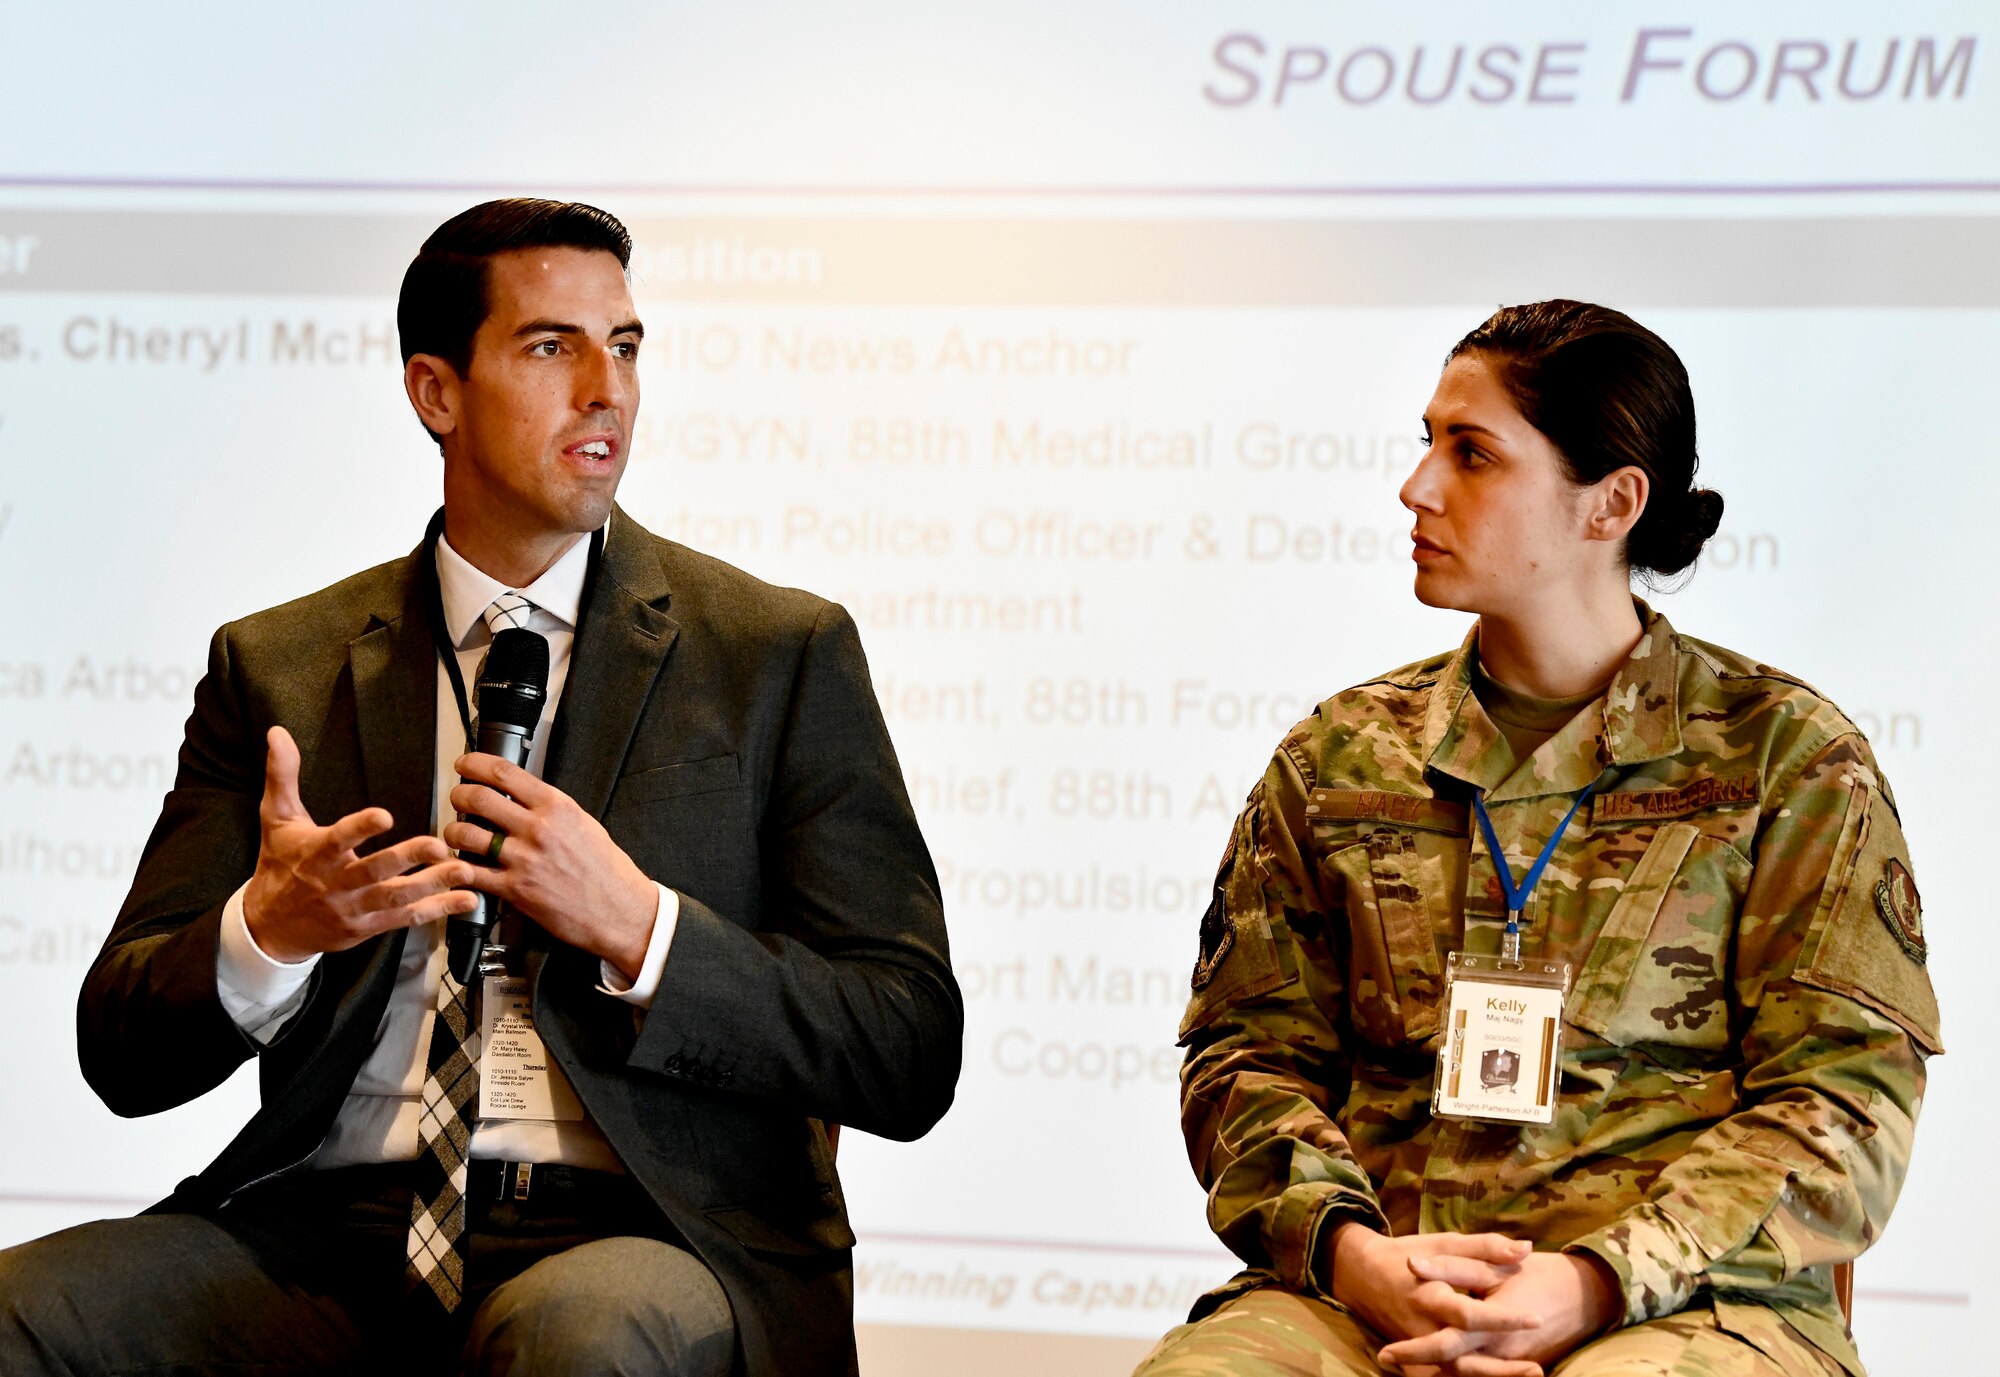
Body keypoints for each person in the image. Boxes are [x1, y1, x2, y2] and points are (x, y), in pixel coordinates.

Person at [0, 199, 961, 1376]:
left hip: (644, 1233)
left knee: (576, 1338)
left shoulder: (771, 652)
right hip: (327, 1234)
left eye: (626, 345)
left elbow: (907, 1045)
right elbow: (122, 1050)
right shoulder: (281, 667)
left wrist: (640, 928)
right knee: (27, 1311)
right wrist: (269, 933)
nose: (606, 387)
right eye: (552, 347)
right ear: (435, 393)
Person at [1136, 300, 1939, 1377]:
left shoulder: (1783, 759)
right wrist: (1356, 1255)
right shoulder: (1338, 756)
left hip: (1684, 1306)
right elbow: (1246, 1059)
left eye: (1470, 454)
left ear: (1609, 504)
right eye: (1425, 445)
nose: (1416, 487)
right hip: (1370, 1294)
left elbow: (1844, 1098)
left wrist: (1595, 1280)